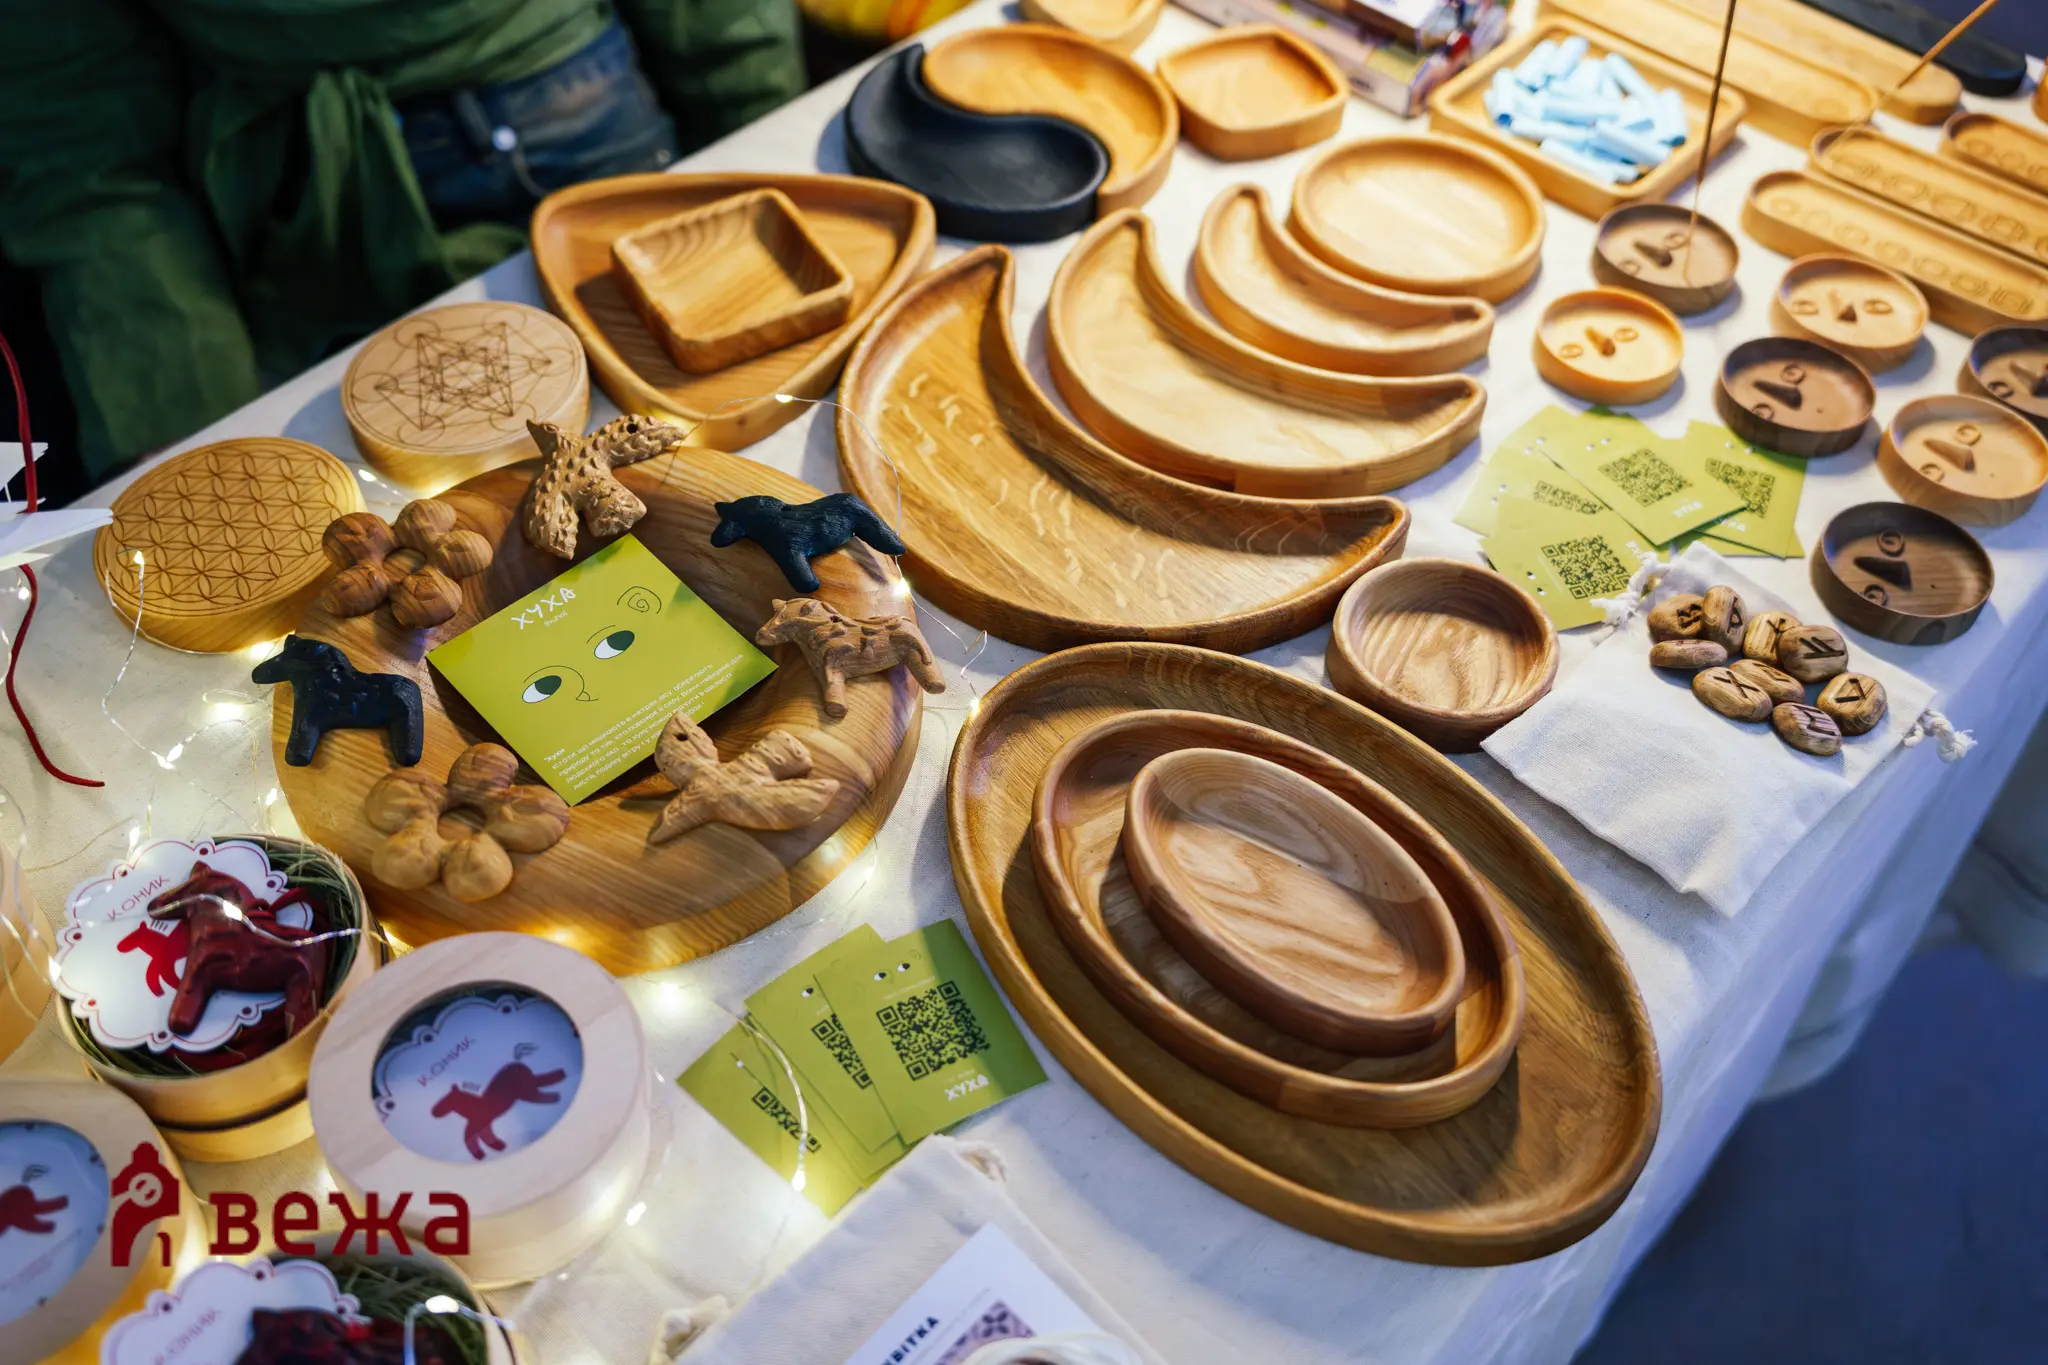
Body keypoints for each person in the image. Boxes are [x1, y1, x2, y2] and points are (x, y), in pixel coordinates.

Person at [0, 0, 806, 484]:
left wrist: (777, 168)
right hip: (303, 215)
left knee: (741, 436)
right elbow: (80, 131)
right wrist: (173, 419)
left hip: (581, 134)